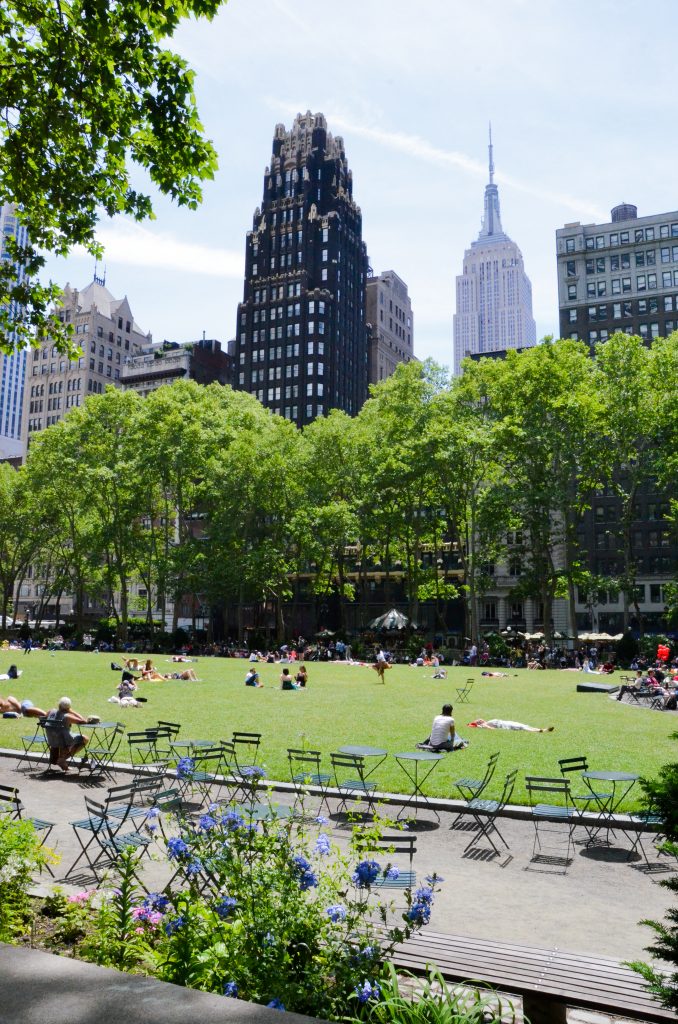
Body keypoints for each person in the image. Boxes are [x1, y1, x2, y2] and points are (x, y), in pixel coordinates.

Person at [45, 697, 90, 772]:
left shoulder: (51, 711)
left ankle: (61, 759)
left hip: (51, 739)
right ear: (68, 707)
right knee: (85, 738)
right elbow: (83, 721)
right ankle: (62, 759)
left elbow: (43, 719)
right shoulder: (67, 716)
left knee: (65, 735)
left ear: (59, 705)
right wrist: (71, 711)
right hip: (64, 740)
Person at [468, 718, 554, 732]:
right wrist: (476, 725)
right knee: (522, 728)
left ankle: (541, 729)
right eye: (478, 721)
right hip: (506, 725)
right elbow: (491, 729)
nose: (480, 719)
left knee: (524, 725)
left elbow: (478, 721)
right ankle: (541, 730)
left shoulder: (486, 722)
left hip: (508, 722)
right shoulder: (484, 725)